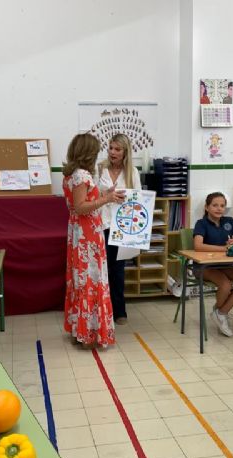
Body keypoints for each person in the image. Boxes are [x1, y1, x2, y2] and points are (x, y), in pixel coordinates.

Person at [62, 133, 124, 348]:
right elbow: (81, 207)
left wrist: (105, 193)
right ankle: (88, 333)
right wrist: (106, 199)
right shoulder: (81, 175)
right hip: (86, 234)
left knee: (82, 281)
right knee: (90, 280)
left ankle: (80, 329)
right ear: (88, 153)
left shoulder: (72, 174)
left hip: (79, 233)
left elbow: (82, 201)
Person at [193, 192, 233, 337]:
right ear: (207, 207)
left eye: (222, 205)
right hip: (203, 267)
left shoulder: (229, 221)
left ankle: (221, 312)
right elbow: (198, 246)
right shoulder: (201, 223)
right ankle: (221, 314)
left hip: (224, 265)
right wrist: (224, 248)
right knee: (225, 285)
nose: (219, 208)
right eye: (215, 205)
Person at [97, 133, 141, 325]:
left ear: (125, 152)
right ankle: (102, 311)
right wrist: (105, 196)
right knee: (102, 270)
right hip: (101, 224)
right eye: (110, 148)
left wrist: (127, 199)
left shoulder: (133, 172)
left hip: (121, 227)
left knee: (117, 270)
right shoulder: (99, 168)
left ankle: (119, 310)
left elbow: (138, 199)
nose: (112, 152)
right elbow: (92, 196)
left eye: (117, 149)